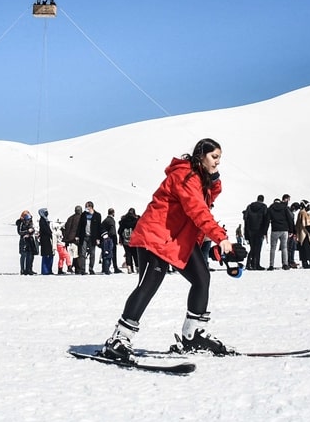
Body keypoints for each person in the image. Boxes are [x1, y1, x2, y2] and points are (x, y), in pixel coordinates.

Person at [100, 138, 234, 362]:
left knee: (202, 278)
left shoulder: (200, 181)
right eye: (214, 157)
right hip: (155, 235)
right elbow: (198, 211)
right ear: (201, 155)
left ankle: (193, 336)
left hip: (176, 238)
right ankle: (119, 339)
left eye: (220, 158)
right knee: (149, 284)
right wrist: (221, 238)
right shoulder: (185, 176)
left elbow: (201, 209)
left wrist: (214, 181)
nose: (217, 163)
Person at [266, 195, 294, 270]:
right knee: (284, 247)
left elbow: (267, 220)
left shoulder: (271, 208)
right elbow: (290, 219)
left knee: (273, 248)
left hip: (275, 229)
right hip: (284, 230)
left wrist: (265, 231)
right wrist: (291, 230)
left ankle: (271, 265)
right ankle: (285, 264)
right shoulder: (284, 207)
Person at [75, 202, 102, 275]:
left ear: (91, 207)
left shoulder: (97, 215)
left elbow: (99, 228)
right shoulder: (83, 215)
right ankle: (83, 269)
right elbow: (79, 226)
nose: (86, 208)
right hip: (84, 236)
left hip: (93, 237)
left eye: (87, 207)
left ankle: (91, 269)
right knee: (82, 254)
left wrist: (98, 238)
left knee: (92, 254)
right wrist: (77, 235)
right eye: (86, 207)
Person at [243, 194, 269, 270]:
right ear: (263, 200)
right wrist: (265, 232)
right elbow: (266, 220)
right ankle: (256, 264)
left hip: (250, 230)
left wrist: (246, 232)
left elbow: (246, 218)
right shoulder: (264, 207)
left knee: (252, 247)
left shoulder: (249, 206)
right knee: (258, 248)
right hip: (260, 230)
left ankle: (249, 263)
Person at [16, 210, 37, 275]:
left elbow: (32, 229)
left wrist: (30, 232)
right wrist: (27, 231)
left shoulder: (30, 221)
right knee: (24, 255)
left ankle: (29, 269)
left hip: (30, 240)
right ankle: (23, 270)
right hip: (24, 241)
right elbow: (19, 232)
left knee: (30, 255)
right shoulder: (20, 222)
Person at [101, 208, 120, 274]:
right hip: (110, 239)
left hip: (105, 239)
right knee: (111, 254)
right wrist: (115, 238)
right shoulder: (111, 221)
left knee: (106, 253)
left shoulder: (105, 220)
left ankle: (104, 268)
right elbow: (113, 231)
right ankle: (109, 268)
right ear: (113, 213)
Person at [37, 209, 54, 275]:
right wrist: (50, 233)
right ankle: (45, 270)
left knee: (50, 254)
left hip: (48, 239)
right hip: (44, 239)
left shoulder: (45, 220)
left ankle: (49, 269)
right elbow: (45, 229)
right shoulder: (42, 220)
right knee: (45, 254)